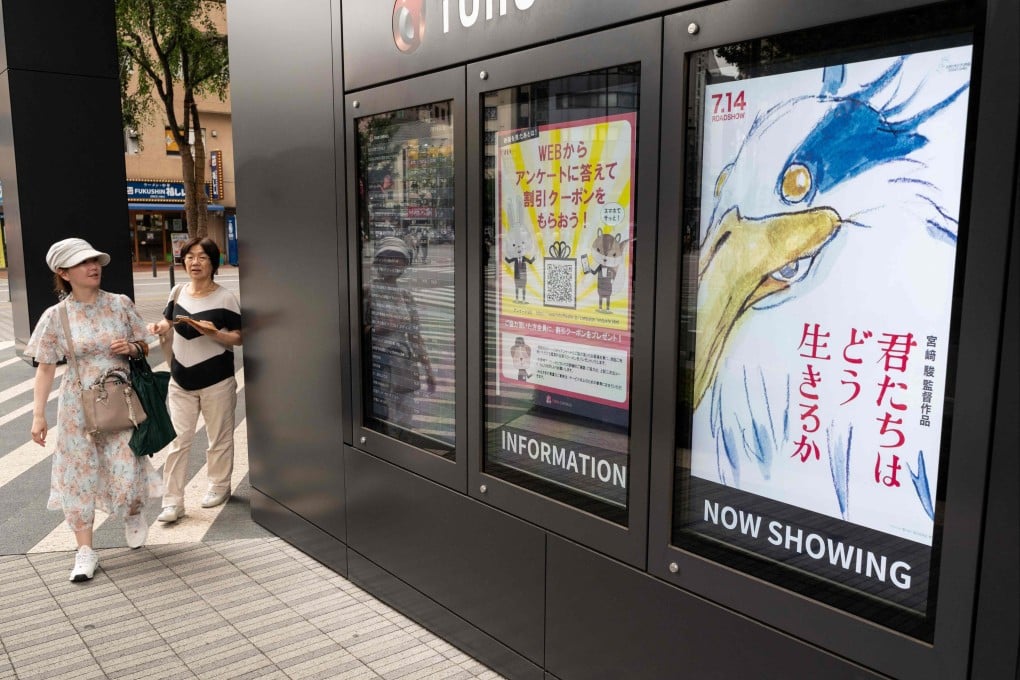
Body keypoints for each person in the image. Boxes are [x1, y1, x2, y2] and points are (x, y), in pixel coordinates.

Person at [26, 238, 163, 582]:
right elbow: (44, 367)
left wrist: (132, 347)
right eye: (82, 263)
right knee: (77, 476)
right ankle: (85, 551)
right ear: (63, 272)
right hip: (77, 406)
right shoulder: (55, 316)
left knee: (127, 466)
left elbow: (144, 344)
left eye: (94, 260)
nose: (93, 266)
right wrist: (38, 415)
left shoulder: (119, 304)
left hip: (119, 398)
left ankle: (133, 511)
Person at [146, 237, 242, 524]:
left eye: (202, 257)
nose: (195, 262)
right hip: (180, 379)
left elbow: (239, 337)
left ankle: (219, 486)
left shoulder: (225, 298)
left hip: (217, 379)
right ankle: (172, 501)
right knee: (178, 441)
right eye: (190, 256)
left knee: (219, 439)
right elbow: (168, 321)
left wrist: (214, 333)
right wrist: (159, 326)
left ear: (213, 263)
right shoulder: (177, 291)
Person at [364, 237, 436, 433]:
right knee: (382, 418)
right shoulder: (367, 292)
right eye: (387, 258)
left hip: (403, 364)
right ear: (379, 262)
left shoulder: (405, 295)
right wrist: (381, 328)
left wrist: (428, 368)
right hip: (378, 365)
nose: (393, 263)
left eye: (398, 259)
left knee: (405, 419)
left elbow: (415, 335)